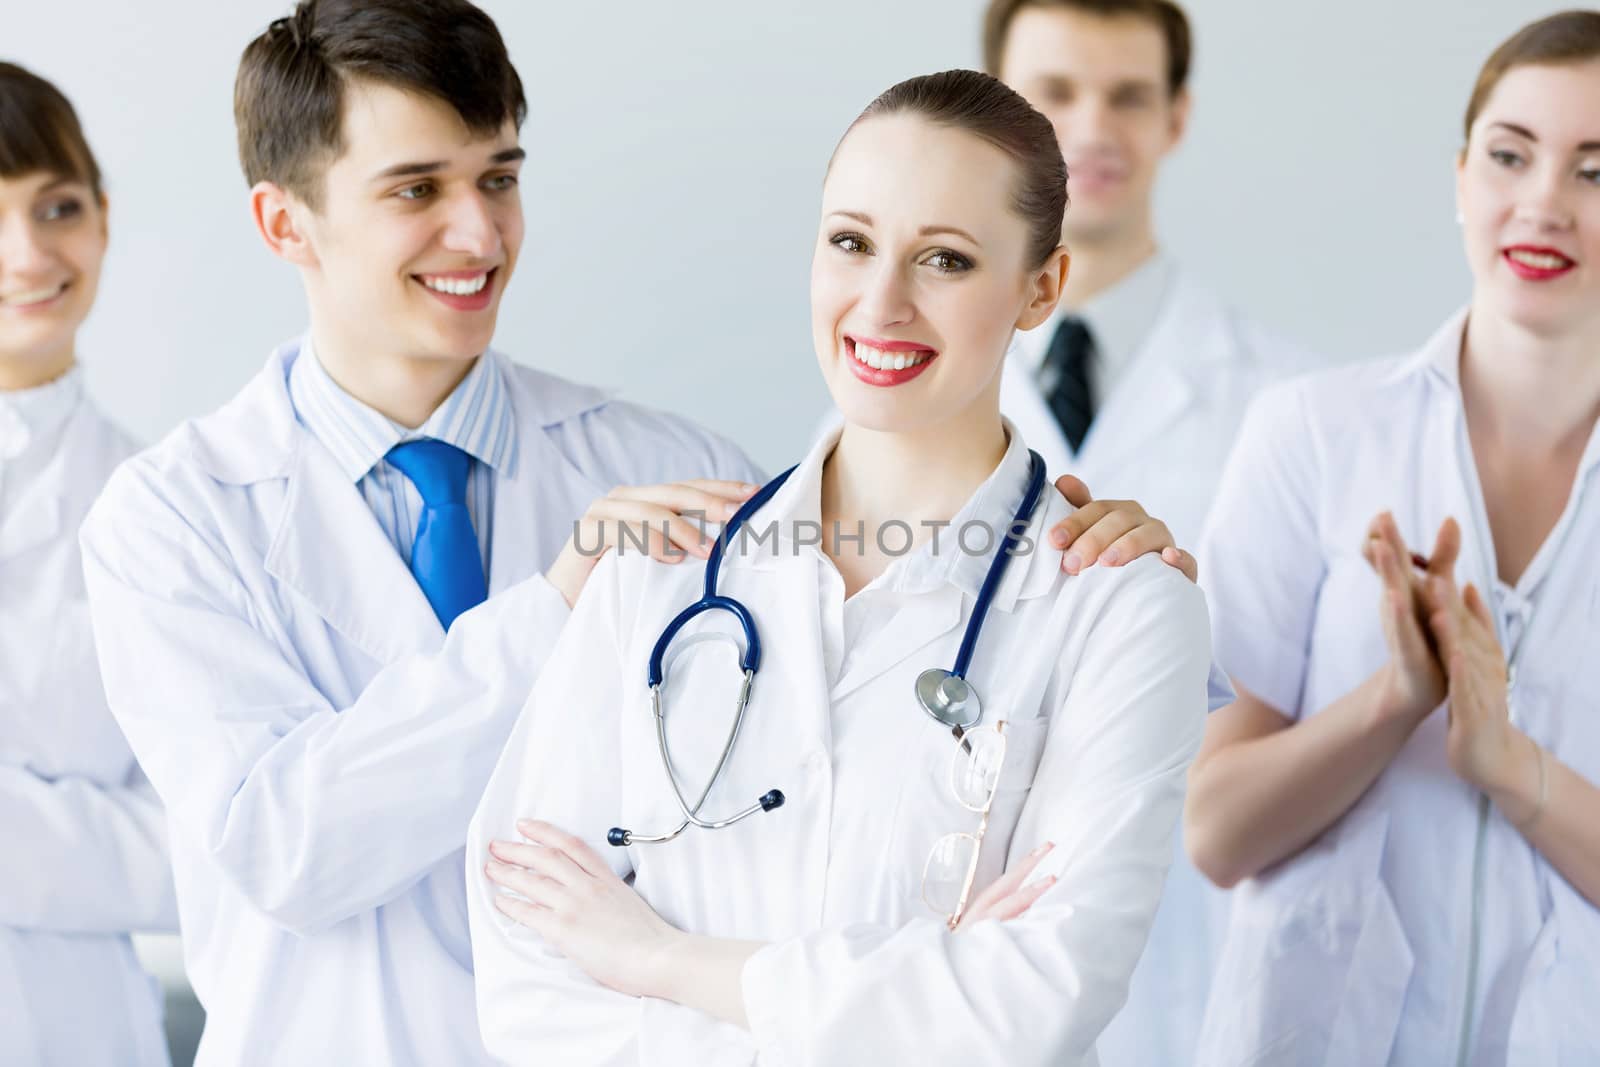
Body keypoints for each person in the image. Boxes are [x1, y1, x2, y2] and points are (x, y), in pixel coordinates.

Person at [78, 3, 1186, 1063]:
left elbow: (890, 584)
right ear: (286, 222)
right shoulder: (172, 516)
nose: (477, 232)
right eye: (417, 188)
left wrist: (1094, 554)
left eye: (498, 178)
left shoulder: (674, 475)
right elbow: (285, 849)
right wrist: (555, 606)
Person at [468, 69, 1213, 1066]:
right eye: (850, 242)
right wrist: (907, 994)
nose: (881, 300)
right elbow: (531, 989)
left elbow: (1035, 1002)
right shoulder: (656, 574)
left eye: (944, 259)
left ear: (1041, 288)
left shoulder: (1120, 607)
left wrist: (658, 957)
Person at [1187, 11, 1600, 1064]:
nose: (1542, 202)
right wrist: (1391, 701)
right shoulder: (1313, 433)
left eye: (1595, 169)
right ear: (1461, 176)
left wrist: (1509, 764)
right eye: (1510, 155)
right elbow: (1214, 830)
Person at [980, 3, 1320, 1058]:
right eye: (1055, 94)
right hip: (966, 971)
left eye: (1128, 95)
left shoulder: (1289, 406)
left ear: (1176, 117)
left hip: (1199, 971)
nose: (1091, 128)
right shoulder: (901, 395)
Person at [0, 62, 176, 1067]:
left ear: (102, 218)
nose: (27, 255)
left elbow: (210, 848)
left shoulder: (164, 509)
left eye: (55, 207)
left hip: (72, 1031)